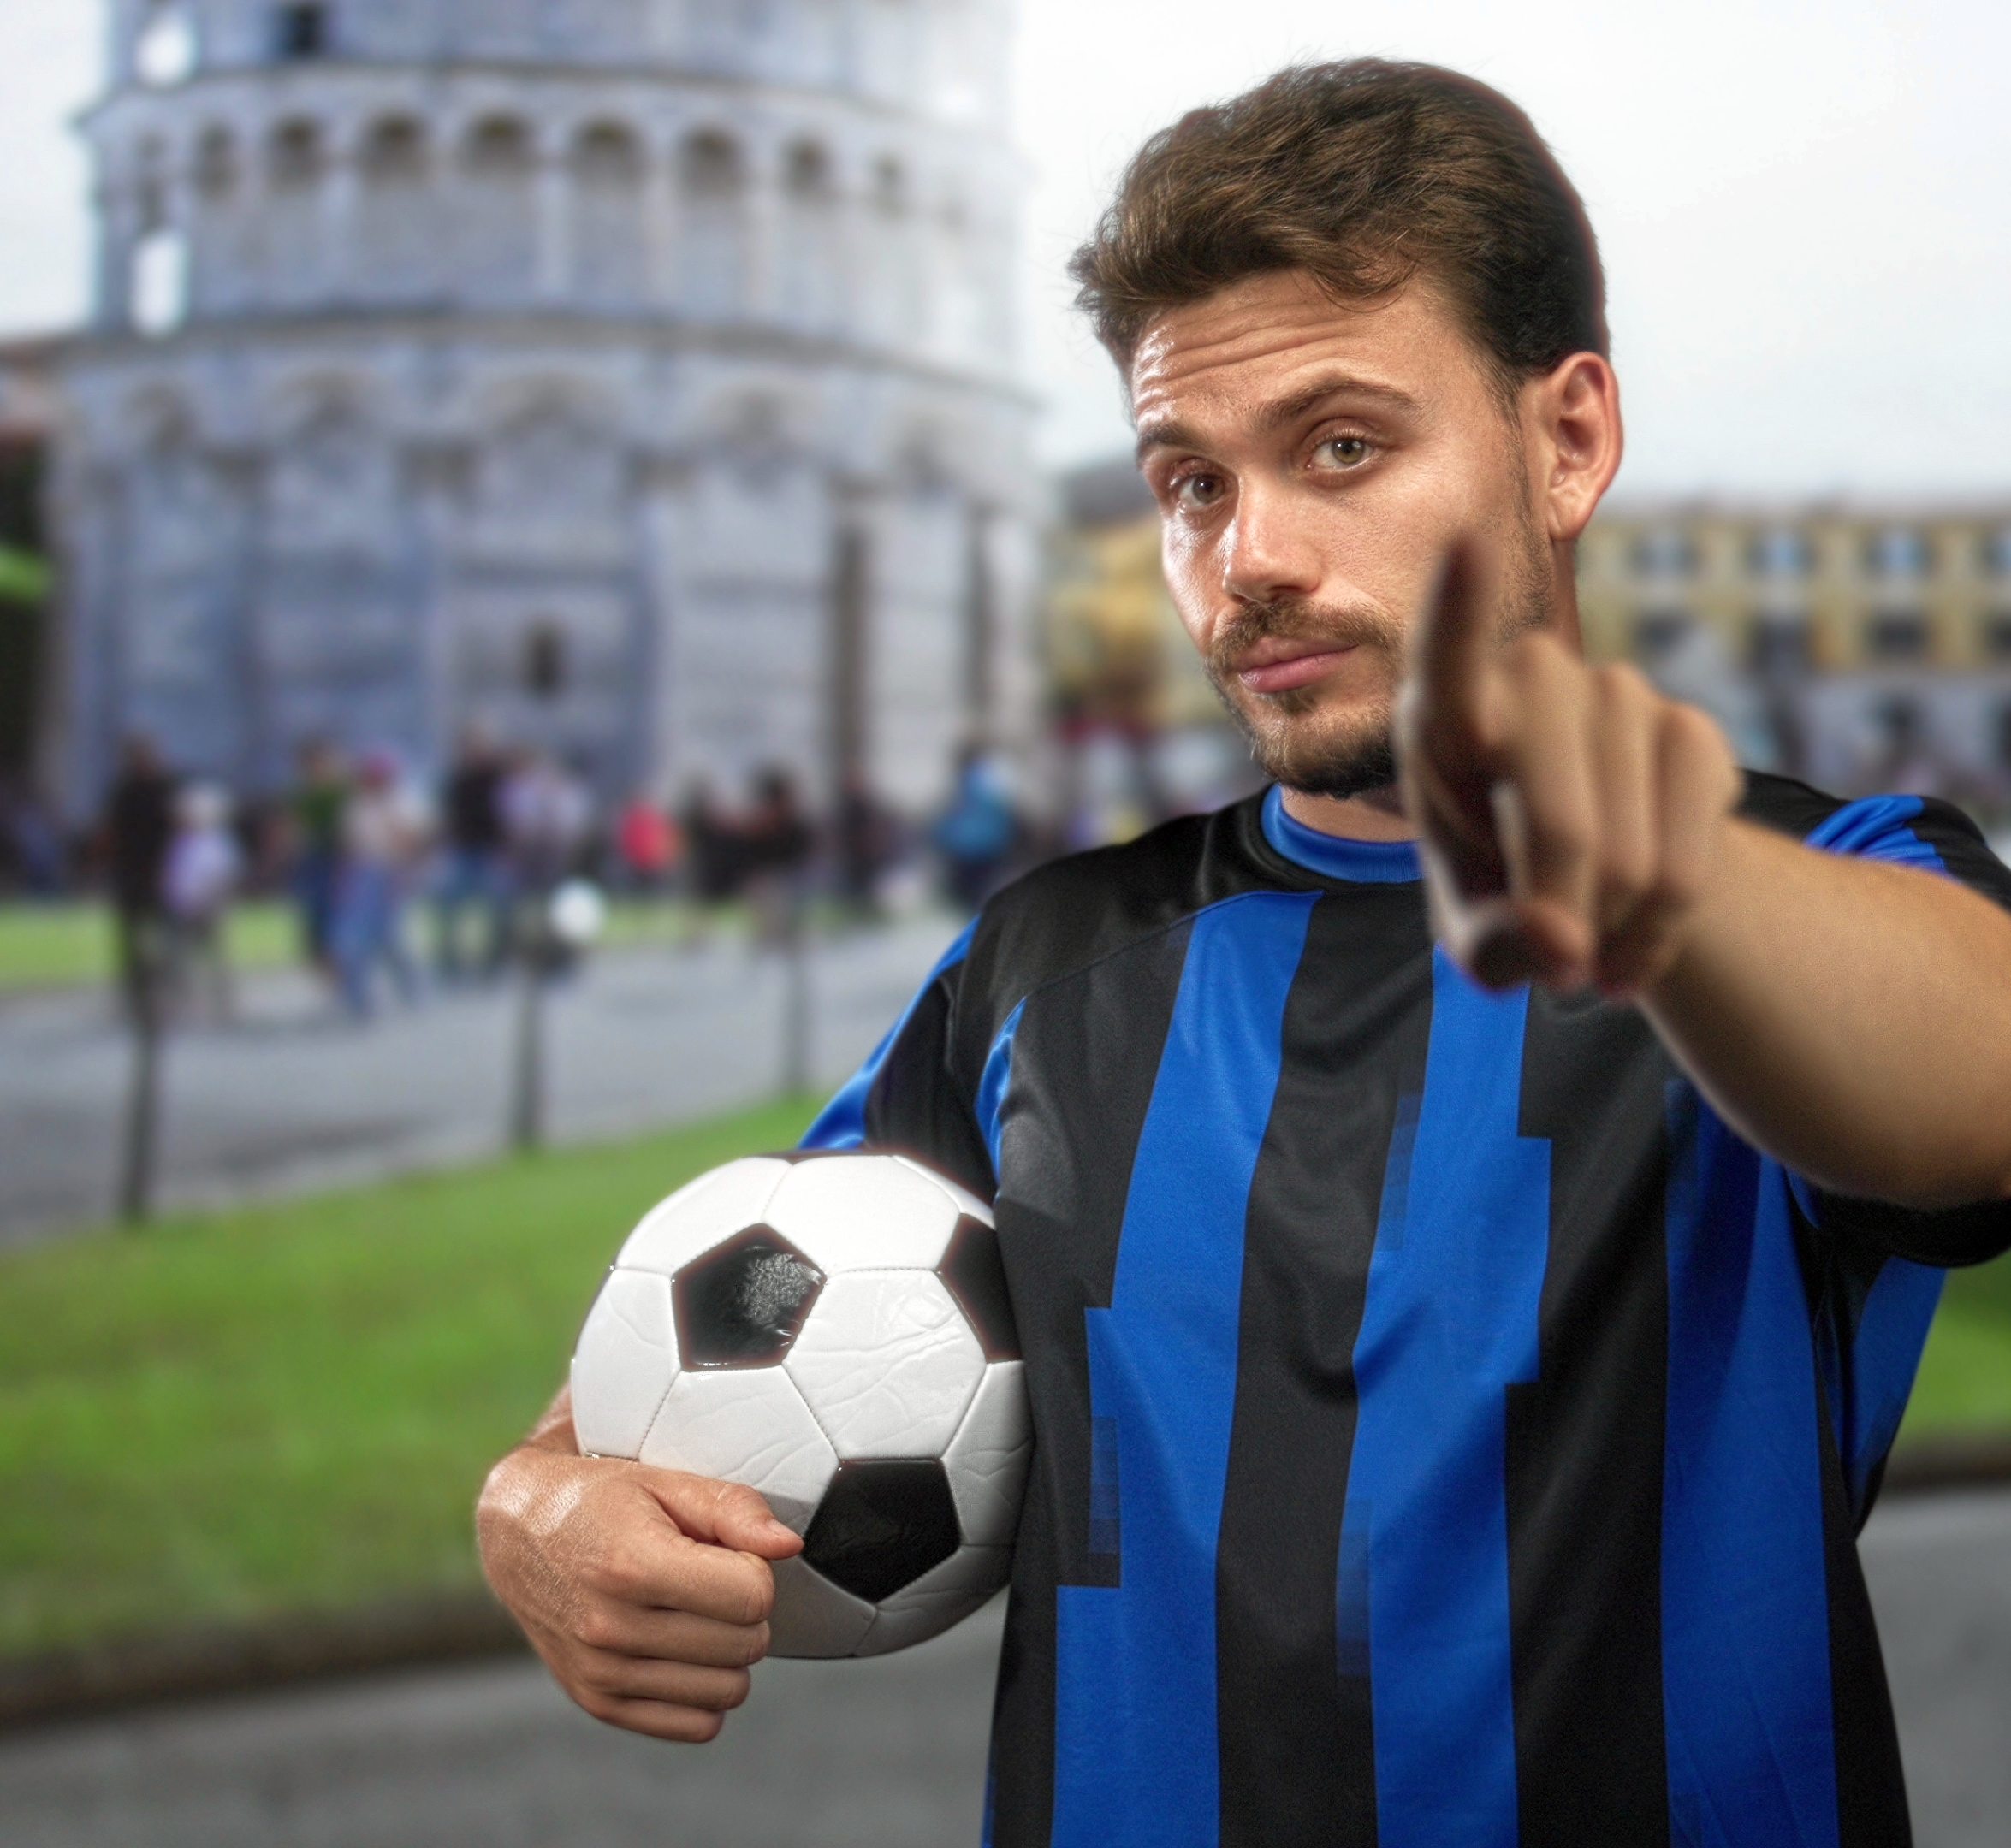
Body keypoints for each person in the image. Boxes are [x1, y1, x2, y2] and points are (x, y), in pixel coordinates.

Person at [476, 62, 2011, 1846]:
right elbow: (726, 1327)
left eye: (1340, 447)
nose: (1245, 560)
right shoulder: (1043, 969)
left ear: (1567, 439)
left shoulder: (1805, 887)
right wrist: (535, 1504)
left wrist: (1657, 877)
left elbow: (1973, 1083)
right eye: (1188, 482)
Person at [330, 750, 426, 1017]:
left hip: (390, 873)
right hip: (362, 876)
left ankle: (414, 992)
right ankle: (357, 1000)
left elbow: (412, 841)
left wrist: (404, 873)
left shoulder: (403, 803)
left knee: (394, 941)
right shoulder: (357, 806)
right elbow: (348, 847)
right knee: (350, 942)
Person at [100, 734, 177, 1019]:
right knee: (132, 935)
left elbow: (172, 833)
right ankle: (136, 988)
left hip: (157, 873)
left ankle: (164, 983)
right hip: (130, 873)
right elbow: (111, 832)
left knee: (165, 933)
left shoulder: (162, 789)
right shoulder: (124, 791)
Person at [433, 727, 511, 981]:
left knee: (499, 910)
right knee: (448, 907)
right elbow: (448, 816)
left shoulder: (496, 777)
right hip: (464, 851)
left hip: (490, 851)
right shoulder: (456, 780)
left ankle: (495, 962)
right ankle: (451, 962)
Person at [161, 781, 240, 1022]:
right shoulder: (180, 842)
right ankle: (184, 1004)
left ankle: (222, 1005)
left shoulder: (215, 842)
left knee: (214, 958)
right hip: (181, 909)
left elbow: (223, 876)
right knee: (180, 959)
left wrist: (209, 901)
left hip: (208, 908)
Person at [288, 738, 347, 979]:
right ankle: (327, 969)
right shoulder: (301, 794)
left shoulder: (341, 791)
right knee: (313, 920)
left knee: (339, 917)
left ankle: (343, 969)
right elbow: (294, 829)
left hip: (339, 860)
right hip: (312, 861)